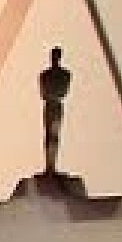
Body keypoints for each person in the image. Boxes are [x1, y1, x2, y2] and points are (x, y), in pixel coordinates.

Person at [39, 46, 71, 176]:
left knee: (54, 135)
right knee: (48, 135)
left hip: (57, 104)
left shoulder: (66, 74)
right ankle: (49, 166)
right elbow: (43, 93)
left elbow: (64, 92)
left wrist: (52, 94)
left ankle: (52, 166)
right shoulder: (44, 75)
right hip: (50, 105)